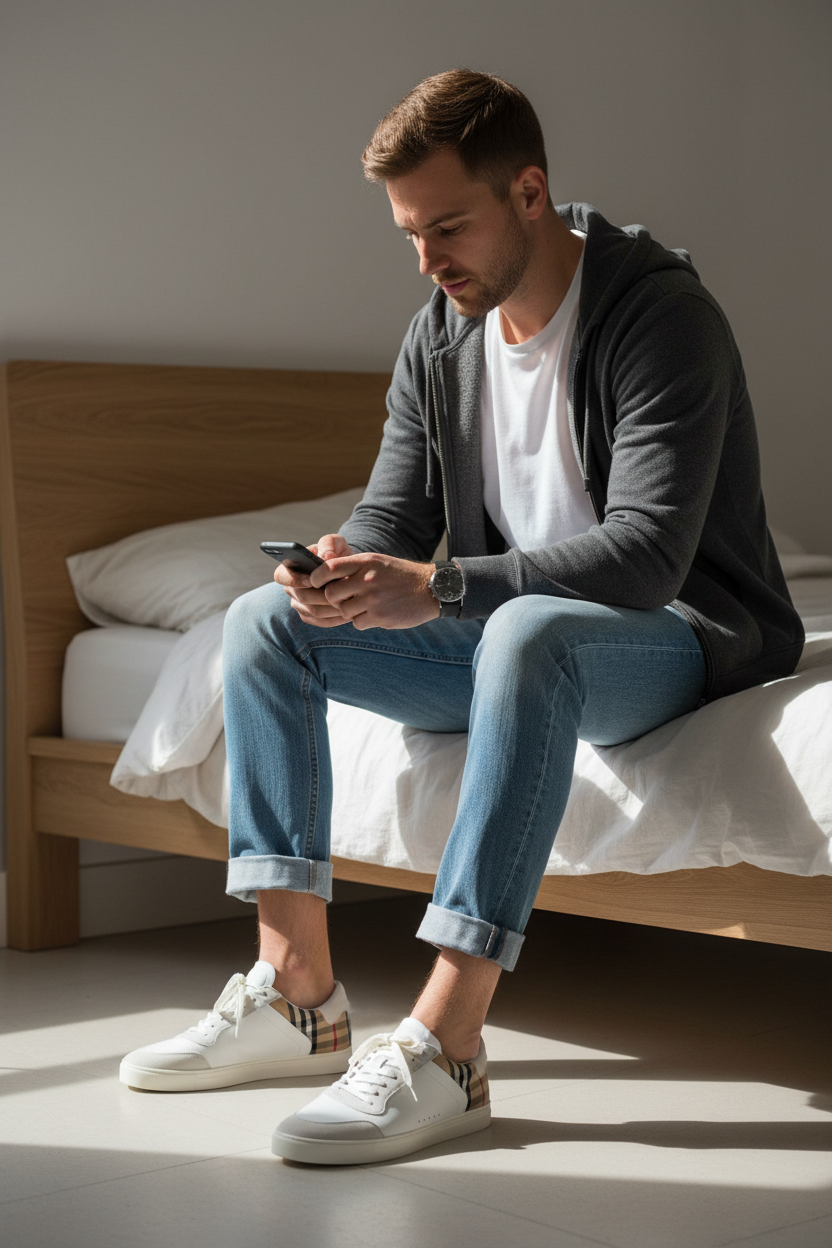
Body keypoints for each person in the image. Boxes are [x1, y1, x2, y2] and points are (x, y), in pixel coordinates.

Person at [120, 69, 803, 1165]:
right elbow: (397, 512)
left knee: (529, 630)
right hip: (516, 644)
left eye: (448, 226)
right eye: (408, 234)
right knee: (257, 624)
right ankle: (298, 994)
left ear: (528, 193)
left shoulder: (660, 314)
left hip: (671, 633)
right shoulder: (441, 335)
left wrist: (438, 588)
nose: (429, 259)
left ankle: (450, 1045)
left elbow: (645, 555)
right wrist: (338, 569)